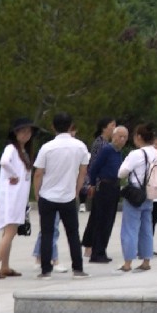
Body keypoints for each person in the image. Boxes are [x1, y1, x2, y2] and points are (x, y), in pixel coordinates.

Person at [32, 113, 88, 277]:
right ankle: (78, 268)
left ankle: (45, 269)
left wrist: (37, 192)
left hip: (48, 195)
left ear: (53, 127)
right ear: (71, 125)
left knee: (47, 233)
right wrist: (76, 191)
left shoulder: (47, 147)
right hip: (68, 196)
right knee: (73, 233)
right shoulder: (80, 146)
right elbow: (83, 172)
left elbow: (38, 173)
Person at [117, 125, 157, 273]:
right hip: (150, 194)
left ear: (139, 137)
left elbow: (122, 173)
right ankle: (146, 260)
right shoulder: (156, 153)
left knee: (130, 229)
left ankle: (128, 263)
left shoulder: (136, 154)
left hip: (135, 194)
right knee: (146, 229)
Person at [0, 123, 35, 278]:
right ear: (15, 133)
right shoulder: (11, 149)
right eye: (22, 132)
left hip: (18, 197)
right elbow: (4, 162)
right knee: (10, 232)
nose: (26, 135)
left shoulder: (24, 151)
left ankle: (5, 266)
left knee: (9, 232)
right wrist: (14, 175)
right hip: (11, 197)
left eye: (28, 132)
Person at [83, 124, 125, 264]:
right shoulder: (107, 149)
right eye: (120, 136)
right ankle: (96, 252)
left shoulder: (118, 152)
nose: (122, 139)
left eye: (125, 137)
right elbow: (94, 168)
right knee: (101, 219)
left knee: (109, 220)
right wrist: (93, 184)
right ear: (113, 136)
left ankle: (102, 250)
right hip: (105, 186)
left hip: (114, 187)